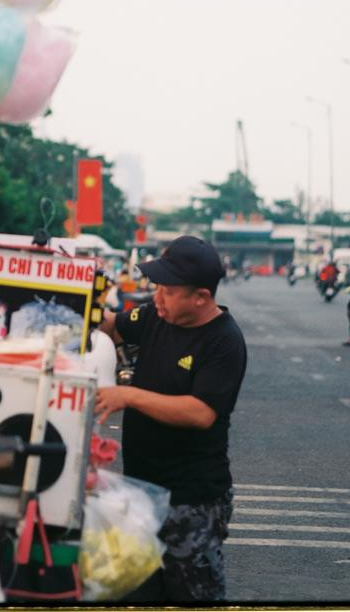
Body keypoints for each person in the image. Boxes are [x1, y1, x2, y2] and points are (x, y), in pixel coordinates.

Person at [94, 235, 247, 602]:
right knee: (136, 590)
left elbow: (200, 413)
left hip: (191, 501)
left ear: (201, 298)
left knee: (191, 596)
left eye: (168, 291)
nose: (156, 297)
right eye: (156, 287)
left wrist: (127, 395)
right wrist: (80, 307)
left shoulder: (224, 342)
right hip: (141, 492)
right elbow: (113, 325)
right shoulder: (156, 314)